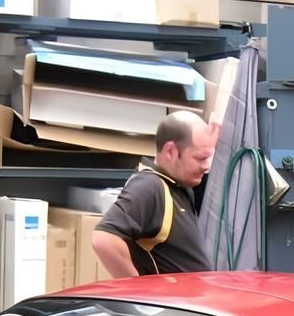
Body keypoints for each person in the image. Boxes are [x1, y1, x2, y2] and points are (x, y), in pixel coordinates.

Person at [92, 111, 218, 277]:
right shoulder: (149, 187)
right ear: (170, 151)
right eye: (200, 158)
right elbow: (103, 240)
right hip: (170, 301)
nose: (206, 166)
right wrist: (139, 294)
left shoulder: (178, 183)